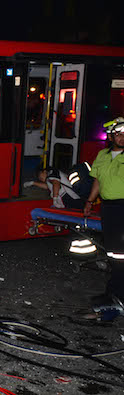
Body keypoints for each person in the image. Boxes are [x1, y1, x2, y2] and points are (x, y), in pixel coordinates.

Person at [83, 117, 124, 320]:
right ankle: (114, 293)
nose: (122, 137)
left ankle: (115, 294)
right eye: (118, 134)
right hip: (108, 208)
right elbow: (98, 180)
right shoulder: (102, 155)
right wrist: (90, 202)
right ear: (111, 136)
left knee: (120, 254)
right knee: (113, 252)